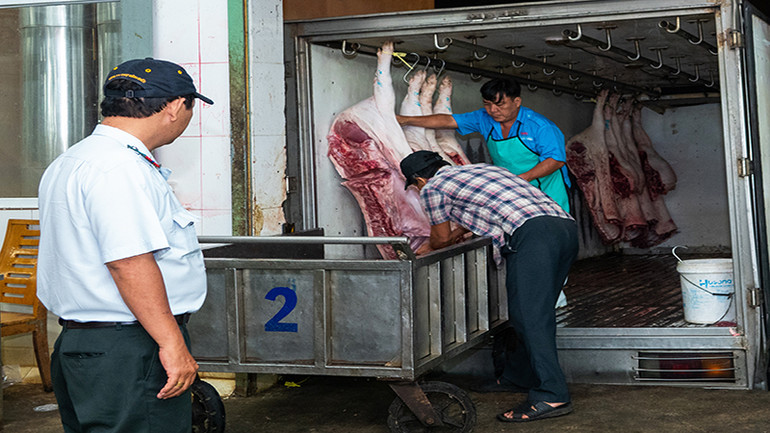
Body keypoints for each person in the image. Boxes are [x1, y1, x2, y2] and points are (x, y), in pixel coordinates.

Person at [37, 58, 214, 433]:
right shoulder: (119, 168)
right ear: (174, 107)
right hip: (130, 349)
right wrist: (172, 345)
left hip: (85, 344)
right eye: (189, 108)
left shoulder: (72, 160)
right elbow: (128, 262)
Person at [400, 150, 578, 423]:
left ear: (419, 181)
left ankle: (552, 394)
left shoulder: (433, 188)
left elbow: (442, 238)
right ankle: (518, 376)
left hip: (532, 235)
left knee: (530, 318)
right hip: (563, 228)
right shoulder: (481, 170)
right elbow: (465, 224)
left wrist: (421, 250)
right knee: (528, 313)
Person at [396, 77, 571, 212]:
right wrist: (406, 120)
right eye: (487, 104)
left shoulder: (540, 126)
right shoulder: (484, 118)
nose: (493, 110)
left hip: (546, 193)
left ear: (516, 102)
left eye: (499, 104)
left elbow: (555, 160)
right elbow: (448, 120)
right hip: (512, 191)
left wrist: (523, 179)